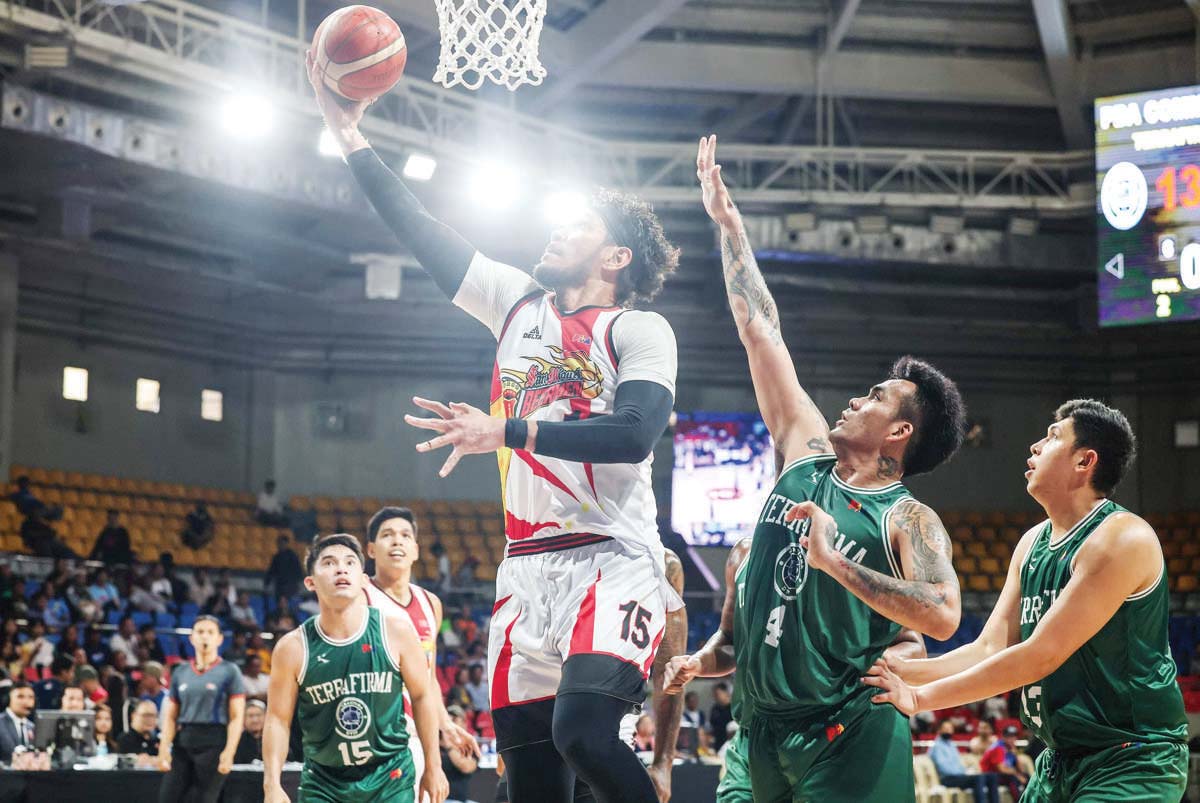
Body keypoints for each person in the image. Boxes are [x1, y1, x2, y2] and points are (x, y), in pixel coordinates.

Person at [310, 49, 684, 803]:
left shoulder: (639, 329)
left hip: (613, 556)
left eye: (577, 224)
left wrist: (506, 431)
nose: (556, 229)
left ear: (616, 255)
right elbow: (419, 227)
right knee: (533, 782)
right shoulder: (514, 301)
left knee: (581, 731)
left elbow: (633, 433)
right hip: (524, 565)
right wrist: (350, 134)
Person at [689, 135, 966, 803]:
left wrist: (834, 561)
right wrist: (731, 230)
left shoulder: (907, 518)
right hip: (758, 730)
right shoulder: (805, 450)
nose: (853, 398)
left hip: (847, 731)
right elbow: (761, 330)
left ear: (899, 431)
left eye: (874, 397)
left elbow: (943, 614)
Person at [864, 400, 1189, 802]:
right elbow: (988, 647)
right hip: (1059, 759)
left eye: (1052, 437)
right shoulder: (1031, 543)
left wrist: (919, 698)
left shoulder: (1121, 538)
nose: (1035, 446)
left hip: (1132, 758)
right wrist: (898, 672)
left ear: (1084, 461)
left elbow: (1038, 656)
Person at [663, 536, 928, 803]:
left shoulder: (853, 554)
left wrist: (860, 665)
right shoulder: (743, 553)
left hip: (826, 732)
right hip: (753, 733)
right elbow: (730, 638)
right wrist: (698, 662)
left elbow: (913, 646)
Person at [261, 533, 449, 803]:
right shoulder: (292, 648)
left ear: (363, 580)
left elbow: (422, 696)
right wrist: (272, 784)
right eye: (328, 563)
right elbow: (277, 718)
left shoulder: (395, 631)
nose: (340, 568)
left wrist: (434, 765)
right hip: (324, 782)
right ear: (310, 582)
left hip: (390, 775)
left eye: (350, 562)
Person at [363, 507, 480, 794]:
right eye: (387, 535)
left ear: (415, 550)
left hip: (413, 737)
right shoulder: (360, 595)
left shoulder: (431, 604)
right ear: (370, 550)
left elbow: (427, 678)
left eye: (405, 535)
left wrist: (445, 725)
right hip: (368, 736)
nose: (397, 541)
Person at [157, 616, 246, 803]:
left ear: (220, 639)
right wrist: (164, 748)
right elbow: (171, 716)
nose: (204, 637)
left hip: (214, 742)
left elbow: (237, 716)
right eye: (200, 632)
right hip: (184, 741)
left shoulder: (230, 671)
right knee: (167, 797)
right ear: (191, 638)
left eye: (210, 632)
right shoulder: (180, 671)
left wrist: (229, 752)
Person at [928, 720, 1000, 803]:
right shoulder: (937, 747)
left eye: (950, 728)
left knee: (992, 777)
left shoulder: (951, 745)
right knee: (978, 778)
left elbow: (958, 763)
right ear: (939, 730)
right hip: (947, 778)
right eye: (946, 729)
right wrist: (963, 773)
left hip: (959, 776)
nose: (948, 731)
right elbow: (943, 768)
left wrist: (966, 771)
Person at [979, 725, 1028, 800]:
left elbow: (1020, 769)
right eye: (1009, 737)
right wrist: (1017, 775)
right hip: (990, 775)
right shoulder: (998, 747)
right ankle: (1018, 800)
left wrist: (1016, 754)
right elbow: (1002, 769)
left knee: (1026, 776)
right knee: (1013, 778)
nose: (1012, 739)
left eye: (1014, 737)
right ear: (1003, 737)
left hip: (1001, 775)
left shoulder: (1011, 748)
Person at [442, 705, 479, 803]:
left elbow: (466, 767)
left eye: (454, 719)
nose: (451, 724)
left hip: (460, 799)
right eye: (448, 720)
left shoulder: (469, 746)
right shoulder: (434, 742)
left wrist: (450, 746)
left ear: (464, 723)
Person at [0, 681, 37, 763]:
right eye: (20, 696)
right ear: (8, 699)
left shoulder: (33, 727)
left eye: (31, 697)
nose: (26, 701)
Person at [266, 535, 304, 600]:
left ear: (287, 544)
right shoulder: (276, 557)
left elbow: (298, 571)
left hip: (291, 586)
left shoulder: (292, 556)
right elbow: (271, 571)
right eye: (280, 543)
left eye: (283, 543)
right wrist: (267, 582)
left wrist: (298, 583)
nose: (281, 545)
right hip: (279, 586)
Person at [234, 699, 266, 764]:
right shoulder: (236, 741)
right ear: (244, 718)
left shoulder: (275, 740)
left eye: (258, 715)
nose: (255, 720)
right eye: (250, 716)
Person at [709, 683, 733, 753]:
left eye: (717, 694)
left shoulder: (733, 708)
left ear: (726, 693)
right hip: (718, 742)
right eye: (714, 695)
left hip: (731, 742)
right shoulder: (715, 709)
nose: (715, 697)